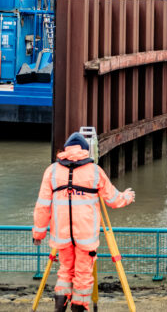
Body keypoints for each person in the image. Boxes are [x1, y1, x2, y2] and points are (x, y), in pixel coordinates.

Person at [33, 132, 135, 312]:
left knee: (65, 272)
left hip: (62, 236)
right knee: (83, 275)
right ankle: (79, 308)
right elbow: (112, 200)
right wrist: (127, 197)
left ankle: (59, 309)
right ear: (86, 151)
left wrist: (38, 233)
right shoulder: (94, 171)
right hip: (86, 237)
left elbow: (42, 206)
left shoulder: (52, 171)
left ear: (65, 149)